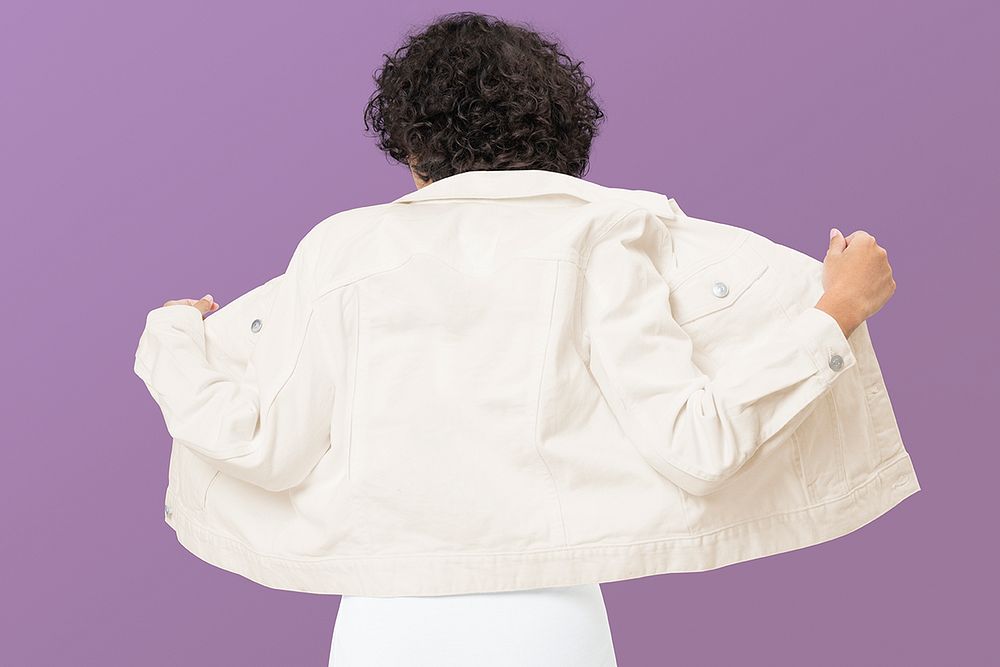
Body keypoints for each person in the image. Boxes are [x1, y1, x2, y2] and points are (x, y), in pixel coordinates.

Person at [154, 11, 895, 667]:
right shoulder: (605, 233)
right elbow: (698, 448)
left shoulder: (343, 248)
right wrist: (833, 312)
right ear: (559, 127)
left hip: (386, 625)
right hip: (549, 624)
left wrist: (175, 336)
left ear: (413, 144)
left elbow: (264, 449)